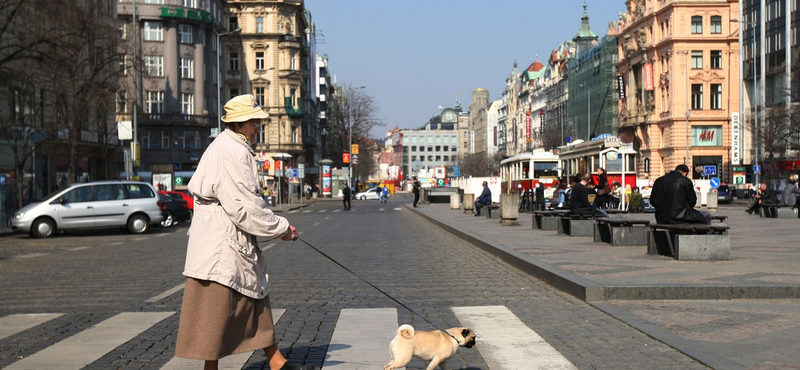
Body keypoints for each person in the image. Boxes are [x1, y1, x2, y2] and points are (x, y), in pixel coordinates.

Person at [175, 95, 313, 370]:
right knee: (215, 313)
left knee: (254, 297)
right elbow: (244, 207)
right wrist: (281, 227)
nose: (259, 125)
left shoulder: (233, 146)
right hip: (221, 244)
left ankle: (277, 363)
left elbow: (246, 204)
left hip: (226, 240)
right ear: (242, 122)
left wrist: (277, 226)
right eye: (255, 121)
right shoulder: (231, 151)